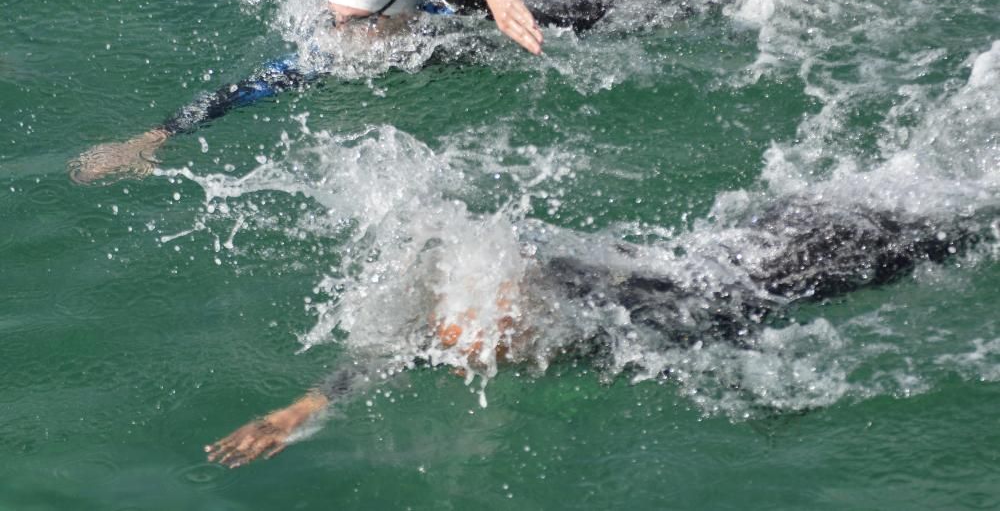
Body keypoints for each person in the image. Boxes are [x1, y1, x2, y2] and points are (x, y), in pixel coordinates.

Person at [204, 198, 978, 467]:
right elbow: (386, 355)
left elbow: (720, 339)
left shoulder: (610, 312)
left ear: (529, 306)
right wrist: (301, 408)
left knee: (957, 233)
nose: (467, 346)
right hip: (752, 237)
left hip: (789, 267)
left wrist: (770, 403)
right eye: (462, 327)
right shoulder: (456, 319)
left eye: (488, 329)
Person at [68, 0, 648, 184]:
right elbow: (243, 90)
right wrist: (154, 136)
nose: (338, 37)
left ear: (399, 13)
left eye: (357, 23)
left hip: (614, 3)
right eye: (333, 19)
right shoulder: (333, 50)